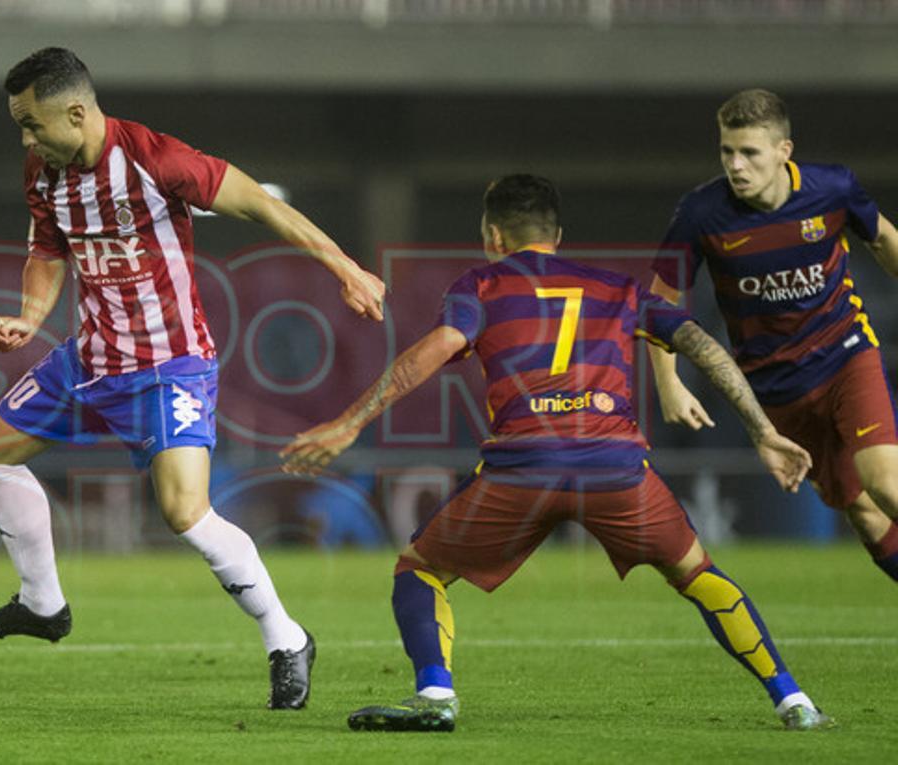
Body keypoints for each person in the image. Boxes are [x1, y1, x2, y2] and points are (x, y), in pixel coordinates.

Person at [281, 174, 831, 731]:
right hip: (615, 469)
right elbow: (701, 343)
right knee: (697, 573)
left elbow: (441, 346)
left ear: (493, 234)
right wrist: (762, 429)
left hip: (524, 469)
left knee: (420, 571)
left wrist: (349, 423)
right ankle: (793, 699)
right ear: (558, 235)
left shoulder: (481, 286)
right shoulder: (618, 288)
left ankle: (436, 695)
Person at [0, 47, 385, 710]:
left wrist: (346, 268)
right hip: (91, 360)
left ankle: (286, 638)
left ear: (76, 112)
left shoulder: (155, 160)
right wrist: (29, 315)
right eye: (20, 125)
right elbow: (47, 250)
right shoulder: (43, 172)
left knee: (185, 511)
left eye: (33, 123)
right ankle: (43, 604)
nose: (26, 138)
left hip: (169, 366)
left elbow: (261, 204)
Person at [648, 89, 898, 581]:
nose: (736, 166)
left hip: (847, 356)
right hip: (777, 388)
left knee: (886, 485)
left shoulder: (832, 188)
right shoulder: (701, 214)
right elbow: (658, 302)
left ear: (784, 151)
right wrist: (668, 380)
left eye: (749, 152)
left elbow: (884, 238)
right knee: (865, 515)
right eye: (727, 151)